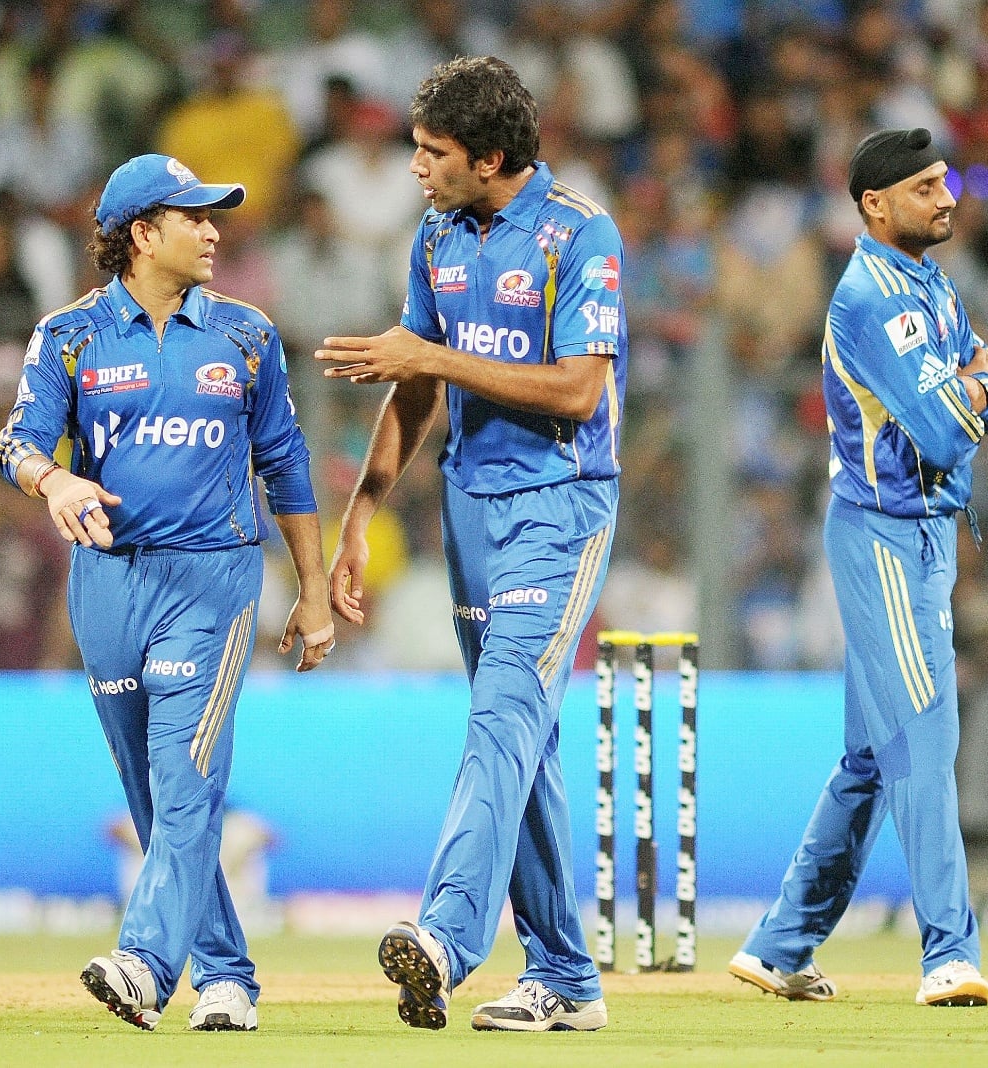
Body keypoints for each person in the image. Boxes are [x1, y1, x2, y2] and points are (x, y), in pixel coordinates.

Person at [317, 56, 627, 1033]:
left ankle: (446, 942)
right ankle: (565, 980)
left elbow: (579, 389)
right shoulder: (436, 235)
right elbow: (414, 390)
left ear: (489, 158)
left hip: (557, 508)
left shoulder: (579, 233)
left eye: (431, 152)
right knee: (522, 745)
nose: (414, 167)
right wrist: (359, 519)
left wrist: (433, 356)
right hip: (467, 512)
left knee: (501, 719)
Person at [0, 153, 335, 1032]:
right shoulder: (68, 335)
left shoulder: (247, 335)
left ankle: (145, 963)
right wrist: (55, 483)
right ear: (143, 234)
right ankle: (226, 977)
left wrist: (312, 589)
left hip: (212, 579)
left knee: (184, 779)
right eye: (195, 217)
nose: (215, 230)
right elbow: (17, 443)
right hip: (108, 584)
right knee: (155, 797)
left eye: (215, 215)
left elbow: (287, 466)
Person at [727, 128, 988, 1007]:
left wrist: (974, 388)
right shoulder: (872, 299)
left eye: (946, 182)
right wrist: (976, 386)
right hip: (887, 536)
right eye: (926, 186)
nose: (947, 197)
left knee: (869, 755)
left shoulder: (928, 285)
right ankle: (949, 954)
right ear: (874, 204)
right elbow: (949, 424)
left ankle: (781, 944)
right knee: (926, 738)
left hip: (920, 537)